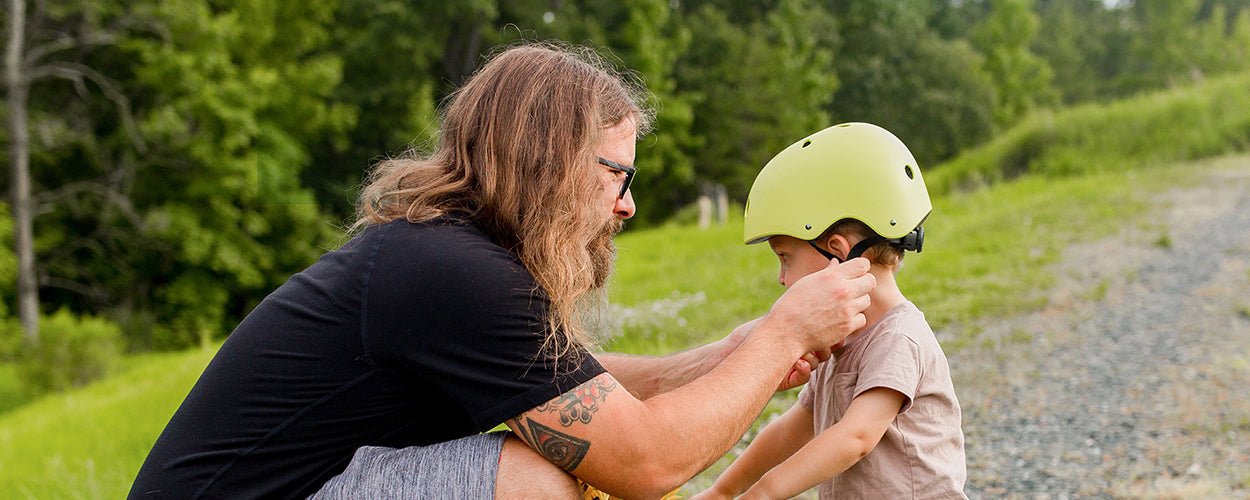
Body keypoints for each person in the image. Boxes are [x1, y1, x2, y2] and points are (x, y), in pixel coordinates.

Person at [129, 43, 875, 499]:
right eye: (617, 175)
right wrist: (783, 335)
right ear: (551, 162)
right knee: (535, 481)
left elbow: (569, 386)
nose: (629, 206)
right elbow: (645, 463)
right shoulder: (457, 274)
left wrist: (731, 356)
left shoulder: (446, 255)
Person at [696, 122, 967, 499]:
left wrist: (762, 494)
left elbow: (855, 437)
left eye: (786, 259)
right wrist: (723, 492)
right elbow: (795, 427)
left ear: (837, 254)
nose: (782, 278)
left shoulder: (897, 338)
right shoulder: (841, 339)